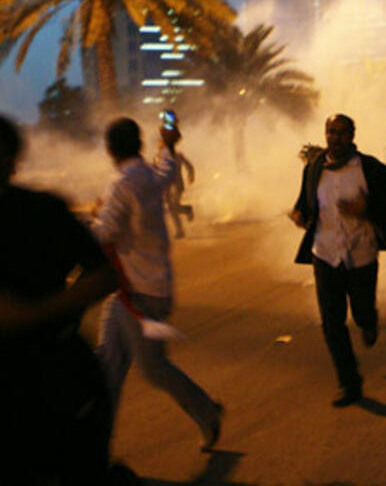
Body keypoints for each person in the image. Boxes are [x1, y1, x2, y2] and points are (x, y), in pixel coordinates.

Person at [0, 113, 119, 484]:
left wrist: (35, 314)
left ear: (10, 158)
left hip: (49, 383)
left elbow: (103, 274)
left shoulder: (39, 212)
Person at [91, 117, 223, 452]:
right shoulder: (149, 174)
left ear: (109, 149)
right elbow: (168, 167)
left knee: (152, 369)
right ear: (139, 144)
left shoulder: (122, 183)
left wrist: (89, 218)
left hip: (140, 295)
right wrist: (168, 144)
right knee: (109, 365)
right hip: (137, 291)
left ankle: (207, 411)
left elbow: (103, 233)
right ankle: (94, 449)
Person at [290, 114, 386, 407]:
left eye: (342, 133)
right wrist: (299, 215)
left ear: (353, 135)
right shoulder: (315, 168)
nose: (336, 138)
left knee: (361, 312)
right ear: (325, 134)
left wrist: (366, 207)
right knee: (332, 323)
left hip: (361, 253)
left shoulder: (371, 168)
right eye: (331, 132)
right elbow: (304, 204)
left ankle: (369, 321)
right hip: (325, 254)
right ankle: (349, 382)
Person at [165, 149, 195, 238]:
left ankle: (179, 230)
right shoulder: (160, 157)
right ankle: (187, 210)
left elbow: (189, 166)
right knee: (172, 208)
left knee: (173, 207)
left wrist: (191, 175)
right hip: (166, 187)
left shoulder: (178, 155)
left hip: (177, 186)